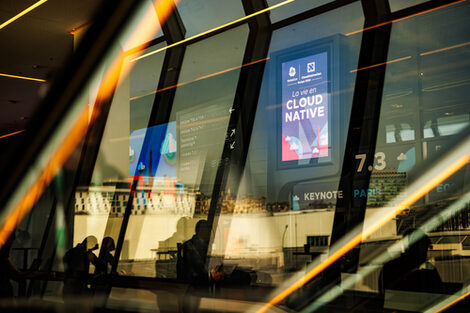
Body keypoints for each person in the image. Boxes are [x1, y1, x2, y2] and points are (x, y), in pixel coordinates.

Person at [181, 220, 224, 313]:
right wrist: (211, 274)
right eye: (208, 230)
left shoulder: (204, 245)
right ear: (201, 231)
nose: (209, 234)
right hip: (196, 286)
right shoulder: (191, 246)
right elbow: (197, 267)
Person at [63, 235, 99, 300]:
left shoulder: (71, 251)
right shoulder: (87, 254)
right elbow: (98, 264)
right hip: (79, 284)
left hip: (69, 283)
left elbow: (65, 261)